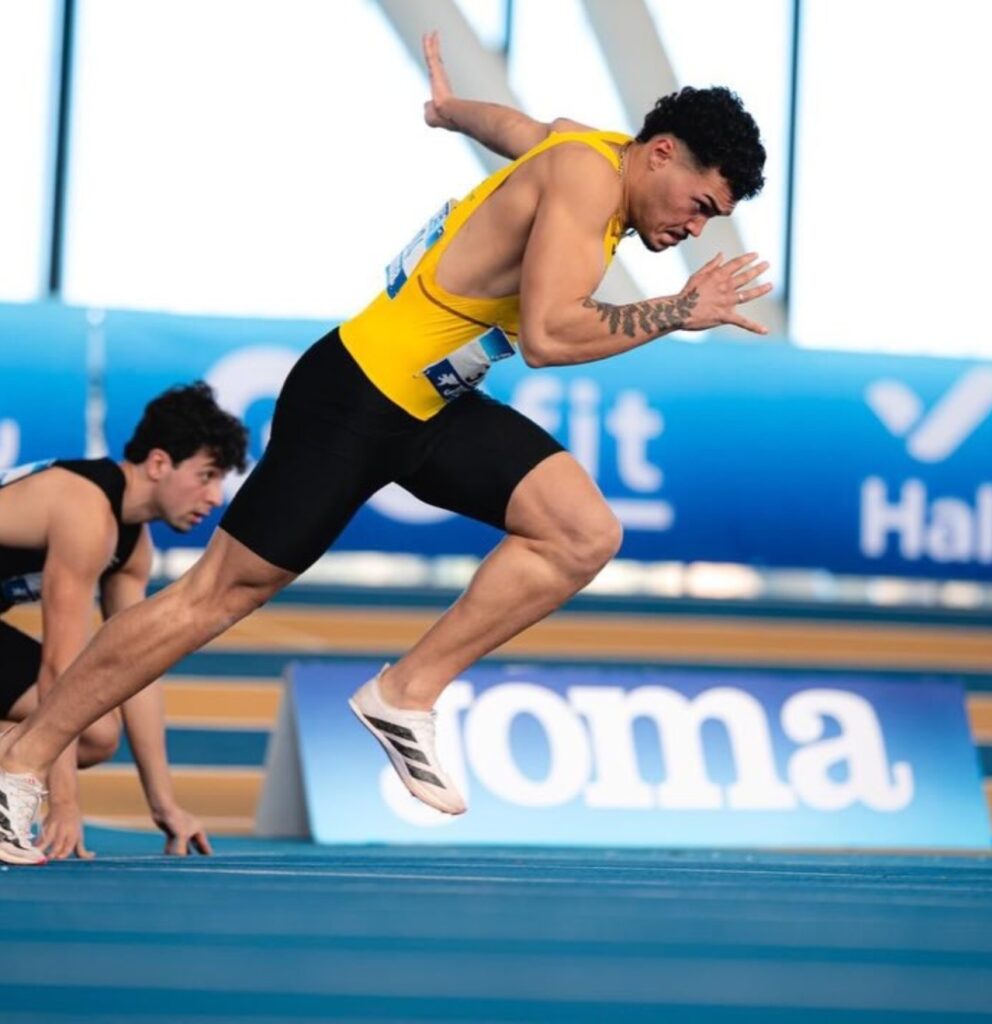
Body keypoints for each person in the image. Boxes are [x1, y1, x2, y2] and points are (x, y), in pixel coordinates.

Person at [0, 32, 771, 861]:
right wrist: (676, 313)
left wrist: (449, 110)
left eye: (712, 220)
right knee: (212, 599)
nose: (695, 229)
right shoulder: (588, 180)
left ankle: (405, 693)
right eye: (700, 205)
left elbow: (519, 127)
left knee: (582, 531)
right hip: (357, 394)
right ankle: (22, 761)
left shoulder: (588, 149)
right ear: (661, 153)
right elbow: (549, 336)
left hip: (430, 404)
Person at [0, 382, 248, 863]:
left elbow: (134, 669)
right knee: (69, 711)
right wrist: (63, 805)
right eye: (206, 476)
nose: (215, 497)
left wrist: (164, 805)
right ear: (158, 464)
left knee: (97, 735)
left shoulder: (132, 548)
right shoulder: (84, 510)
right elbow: (60, 667)